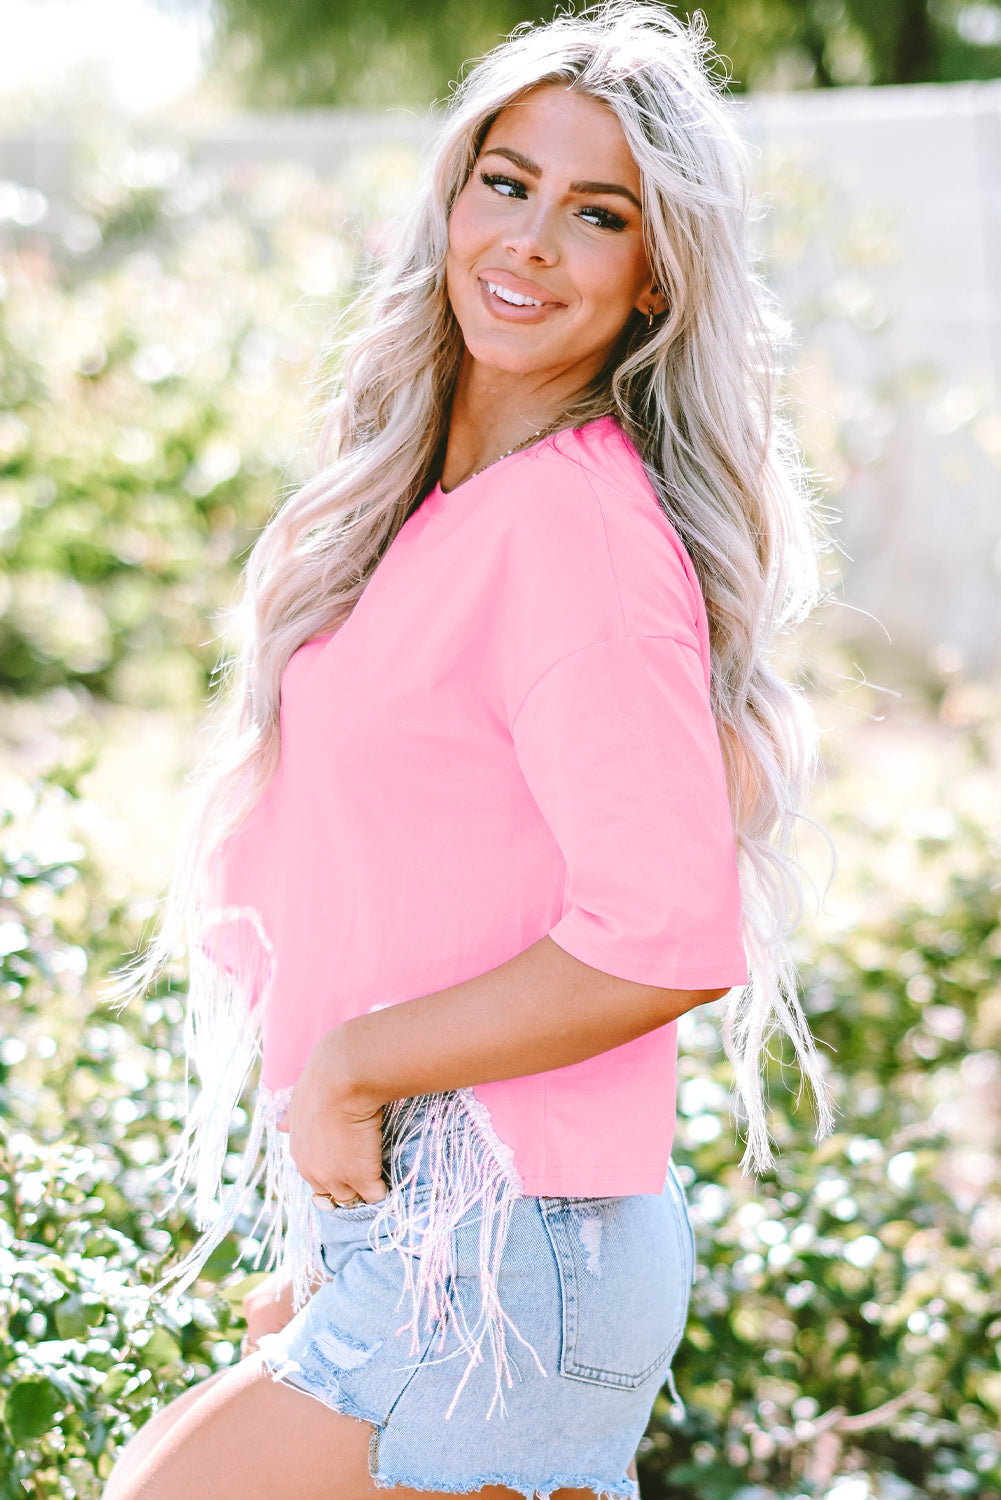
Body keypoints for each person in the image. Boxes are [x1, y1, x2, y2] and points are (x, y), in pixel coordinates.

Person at [103, 4, 832, 1497]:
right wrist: (339, 1223)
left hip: (502, 1239)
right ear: (452, 197)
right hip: (442, 1228)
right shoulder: (445, 511)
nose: (531, 242)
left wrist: (354, 1069)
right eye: (507, 183)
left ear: (654, 277)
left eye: (598, 214)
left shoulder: (572, 530)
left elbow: (663, 932)